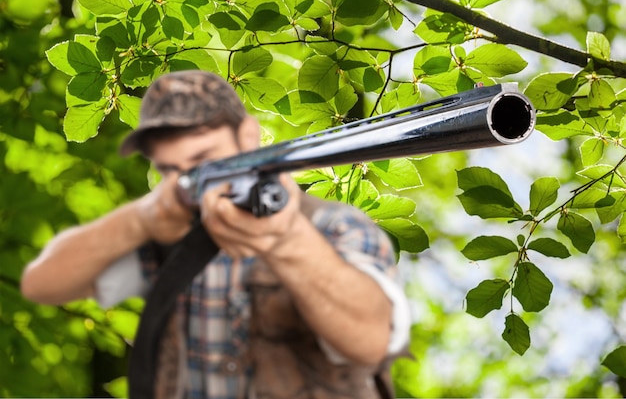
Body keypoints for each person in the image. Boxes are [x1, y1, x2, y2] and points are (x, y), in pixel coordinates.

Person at [21, 70, 411, 399]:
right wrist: (140, 220)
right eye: (170, 169)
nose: (185, 178)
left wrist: (289, 240)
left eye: (202, 160)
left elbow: (370, 341)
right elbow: (42, 284)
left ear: (248, 137)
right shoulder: (170, 239)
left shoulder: (337, 225)